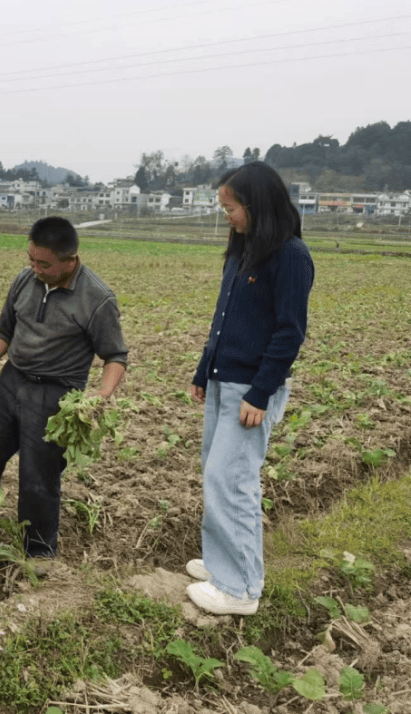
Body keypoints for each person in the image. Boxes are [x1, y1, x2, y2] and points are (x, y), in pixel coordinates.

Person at [0, 216, 128, 573]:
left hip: (56, 394)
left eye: (44, 264)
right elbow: (4, 330)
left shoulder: (97, 299)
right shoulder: (25, 280)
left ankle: (38, 553)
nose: (35, 269)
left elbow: (115, 356)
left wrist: (101, 395)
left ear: (70, 259)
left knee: (39, 474)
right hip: (12, 381)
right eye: (31, 259)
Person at [186, 162, 314, 616]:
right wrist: (205, 369)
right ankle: (222, 562)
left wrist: (260, 393)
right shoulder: (242, 251)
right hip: (224, 380)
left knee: (231, 479)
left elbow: (289, 333)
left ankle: (240, 588)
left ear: (257, 206)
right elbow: (223, 319)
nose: (227, 216)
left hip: (251, 389)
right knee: (216, 473)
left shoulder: (292, 257)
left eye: (232, 207)